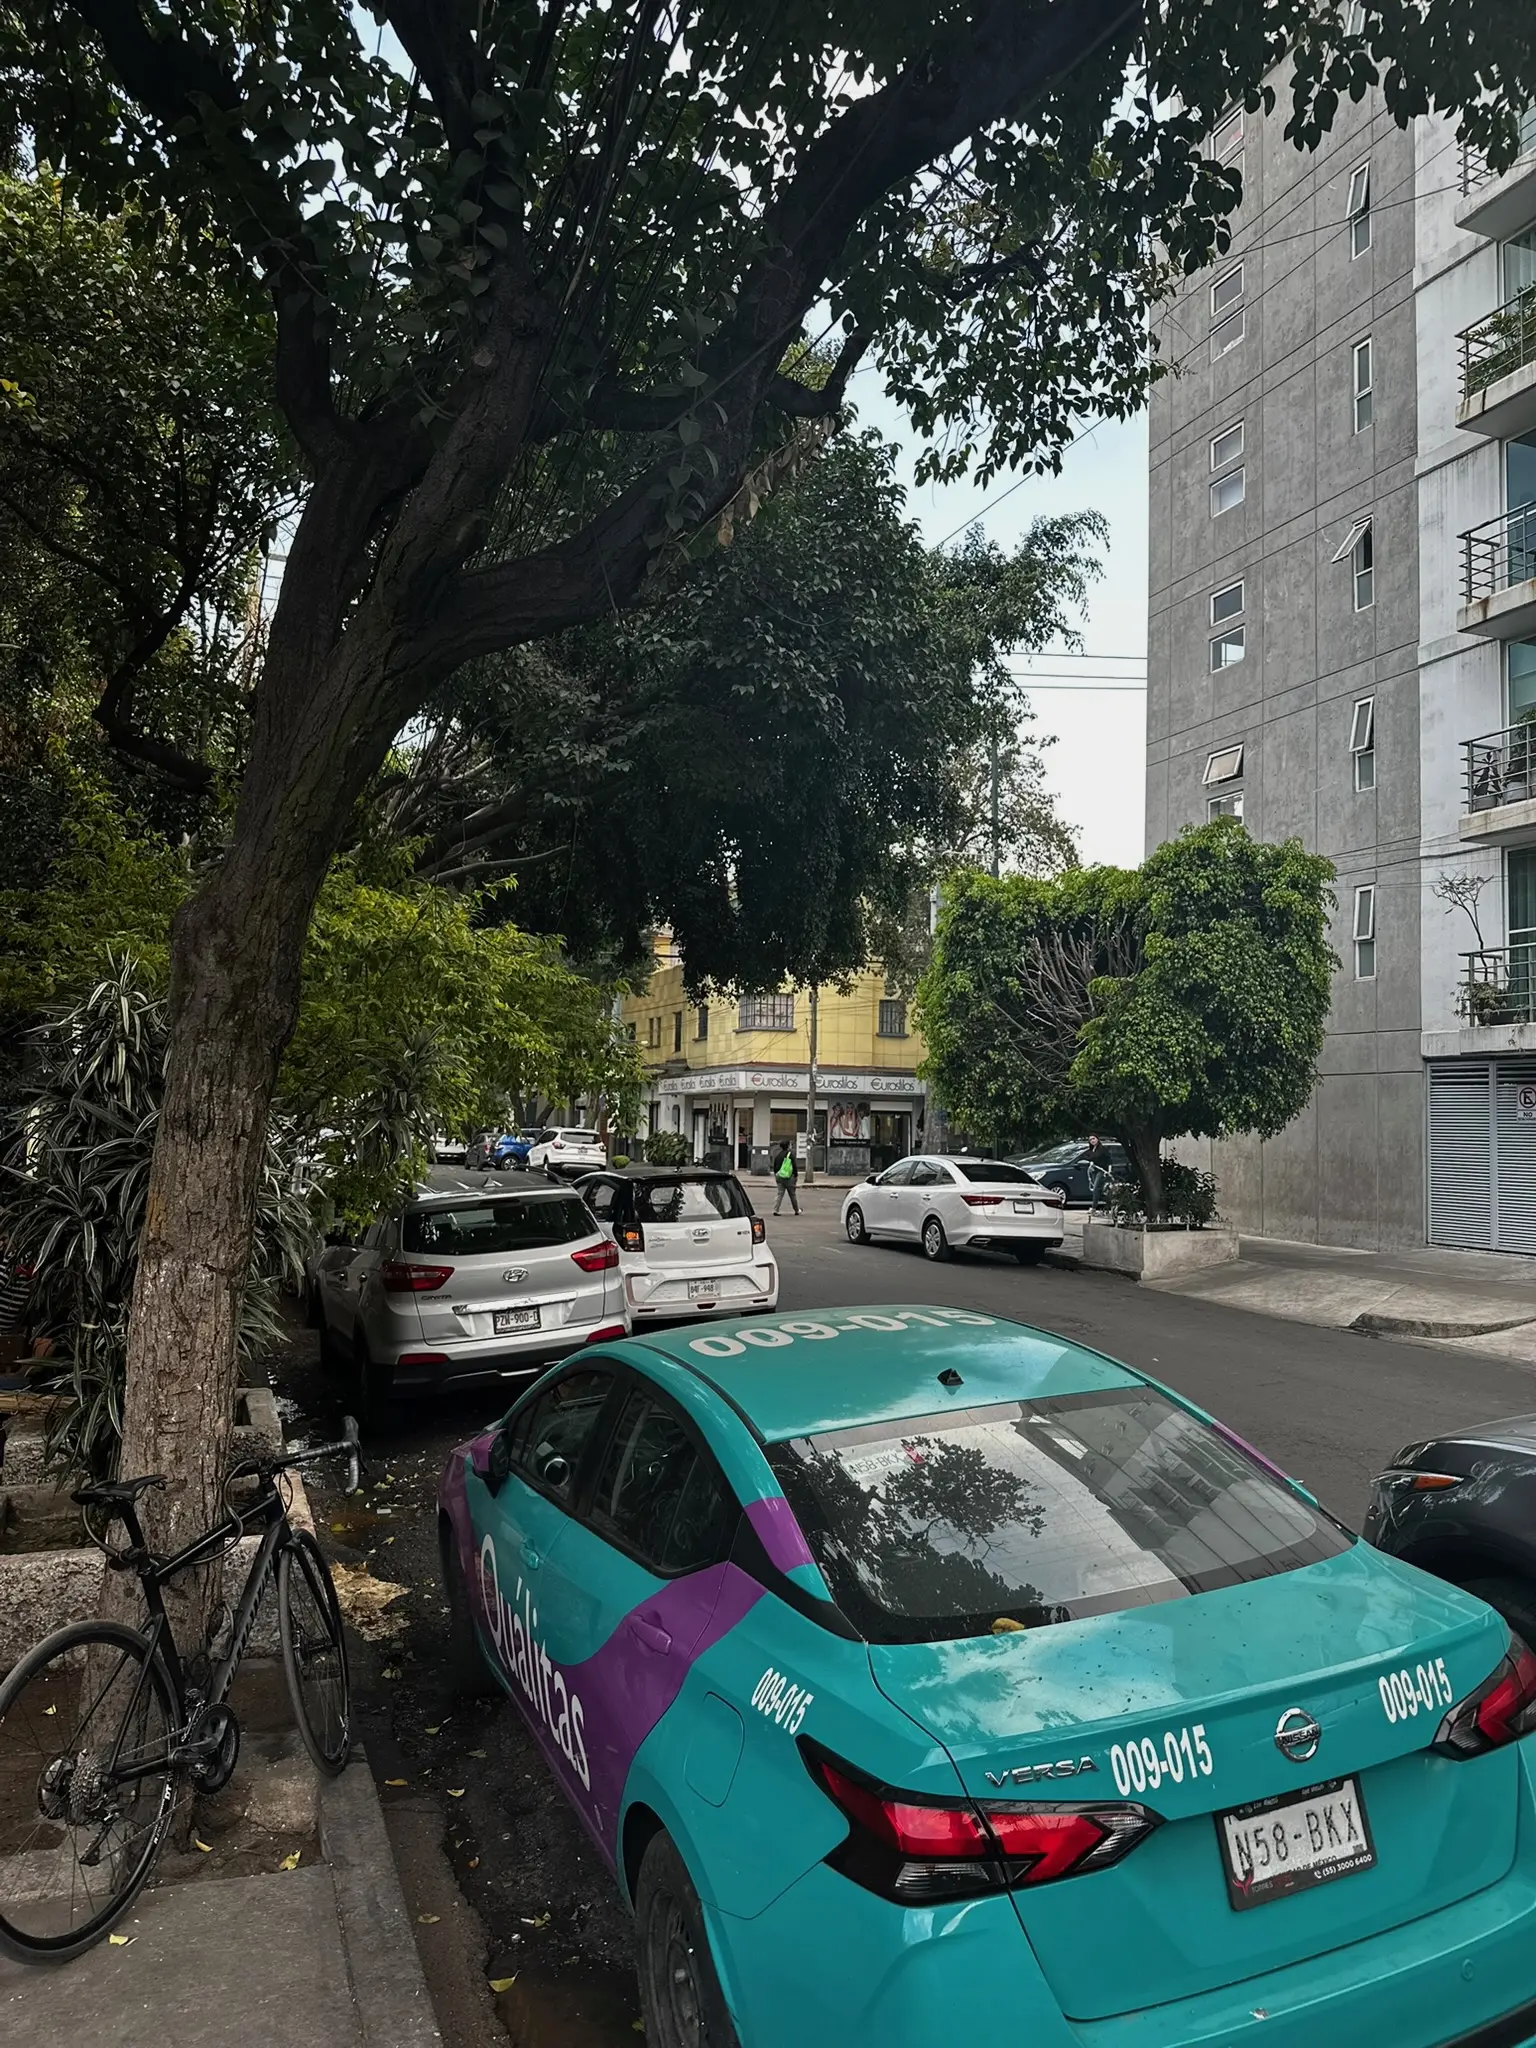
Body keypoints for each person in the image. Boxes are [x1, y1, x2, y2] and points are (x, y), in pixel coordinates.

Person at [773, 1141, 800, 1216]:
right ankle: (797, 1210)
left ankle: (776, 1210)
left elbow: (775, 1167)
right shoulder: (790, 1154)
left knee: (780, 1194)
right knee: (792, 1194)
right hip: (788, 1178)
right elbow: (794, 1166)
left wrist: (776, 1175)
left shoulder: (778, 1155)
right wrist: (796, 1175)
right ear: (788, 1146)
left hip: (779, 1177)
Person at [1084, 1134, 1111, 1204]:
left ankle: (1094, 1207)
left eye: (1093, 1139)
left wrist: (1109, 1171)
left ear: (1097, 1139)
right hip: (1093, 1171)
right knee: (1098, 1189)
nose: (1092, 1141)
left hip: (1102, 1171)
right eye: (1090, 1140)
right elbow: (1086, 1157)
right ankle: (1107, 1203)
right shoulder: (1090, 1150)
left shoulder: (1103, 1149)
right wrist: (1090, 1162)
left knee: (1096, 1188)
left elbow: (1109, 1160)